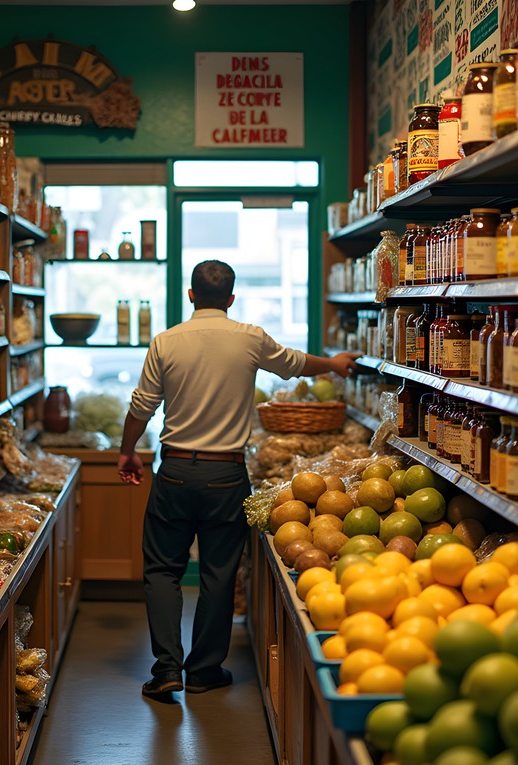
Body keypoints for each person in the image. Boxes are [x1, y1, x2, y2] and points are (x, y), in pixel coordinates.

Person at [117, 260, 359, 698]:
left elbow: (141, 406)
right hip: (226, 475)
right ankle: (204, 671)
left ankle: (167, 669)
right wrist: (335, 364)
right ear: (230, 298)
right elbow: (295, 364)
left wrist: (127, 451)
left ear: (191, 295)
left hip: (174, 472)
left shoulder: (165, 341)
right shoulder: (250, 338)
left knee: (162, 570)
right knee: (219, 573)